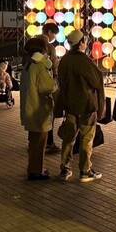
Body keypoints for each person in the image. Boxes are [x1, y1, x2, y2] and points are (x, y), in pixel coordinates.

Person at [55, 30, 105, 182]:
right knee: (86, 139)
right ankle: (85, 170)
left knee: (68, 138)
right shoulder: (84, 61)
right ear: (81, 43)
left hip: (70, 105)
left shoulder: (64, 60)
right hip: (87, 106)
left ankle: (65, 169)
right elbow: (97, 82)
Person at [20, 38, 57, 180]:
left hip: (29, 107)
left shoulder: (28, 64)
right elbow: (47, 86)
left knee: (33, 141)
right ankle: (36, 171)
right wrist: (54, 83)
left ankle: (33, 168)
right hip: (38, 109)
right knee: (39, 142)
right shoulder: (39, 66)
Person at [39, 22, 62, 154]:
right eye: (54, 34)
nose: (54, 37)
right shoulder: (48, 46)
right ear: (49, 32)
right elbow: (54, 66)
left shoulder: (32, 43)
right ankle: (49, 142)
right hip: (47, 84)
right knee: (49, 114)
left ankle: (36, 141)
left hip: (35, 85)